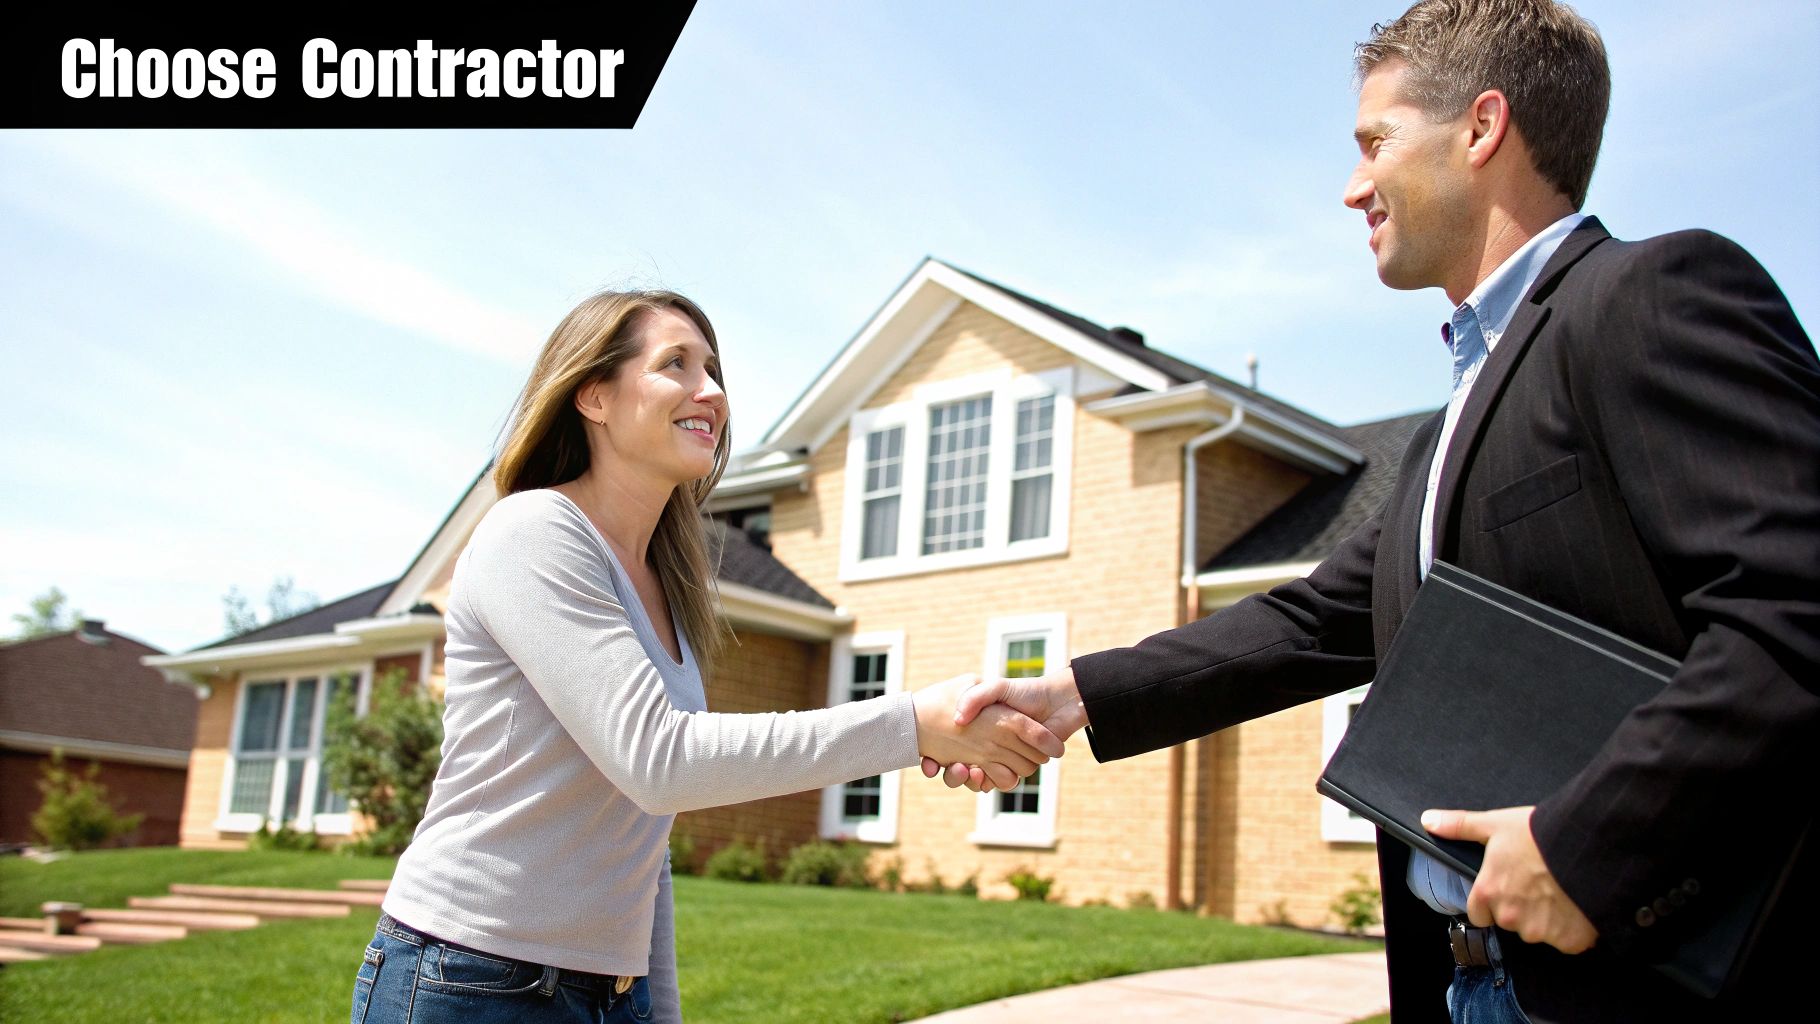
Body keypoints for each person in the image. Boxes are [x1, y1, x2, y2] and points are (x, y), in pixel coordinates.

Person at [930, 1, 1820, 1021]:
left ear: (1481, 128)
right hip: (1466, 980)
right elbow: (1315, 618)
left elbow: (1794, 614)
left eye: (1374, 142)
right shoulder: (1451, 426)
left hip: (1623, 984)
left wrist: (1584, 842)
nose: (1352, 186)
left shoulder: (1650, 294)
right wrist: (1074, 695)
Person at [353, 290, 1066, 1024]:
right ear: (593, 395)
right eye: (676, 364)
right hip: (470, 975)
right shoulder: (533, 531)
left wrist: (657, 1005)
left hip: (608, 990)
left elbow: (643, 829)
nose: (713, 392)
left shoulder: (665, 584)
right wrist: (912, 725)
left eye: (713, 370)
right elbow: (659, 762)